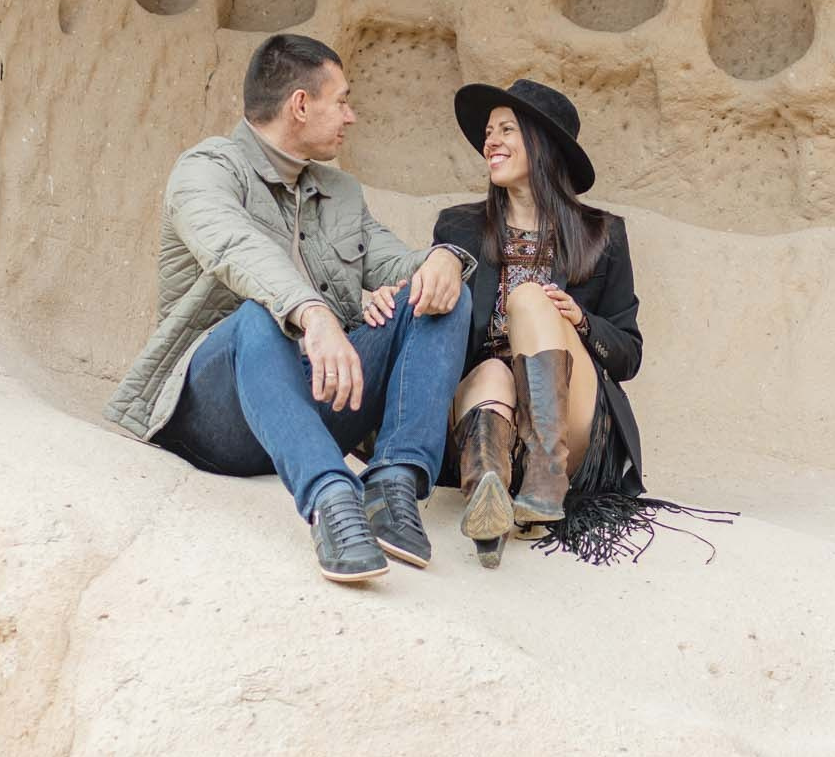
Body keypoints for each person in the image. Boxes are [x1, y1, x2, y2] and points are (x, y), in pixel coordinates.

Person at [106, 33, 476, 583]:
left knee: (444, 295)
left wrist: (444, 259)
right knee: (258, 315)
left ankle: (393, 483)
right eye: (342, 101)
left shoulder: (341, 192)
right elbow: (236, 247)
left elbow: (396, 263)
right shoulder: (206, 170)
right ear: (300, 105)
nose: (351, 116)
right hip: (220, 414)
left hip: (318, 398)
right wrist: (314, 314)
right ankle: (330, 499)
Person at [434, 78, 646, 567]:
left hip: (571, 425)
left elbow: (629, 354)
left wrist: (582, 322)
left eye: (506, 129)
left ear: (543, 143)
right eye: (489, 132)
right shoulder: (458, 227)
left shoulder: (603, 234)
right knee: (493, 370)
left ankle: (546, 477)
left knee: (531, 298)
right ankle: (487, 491)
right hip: (486, 412)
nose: (491, 142)